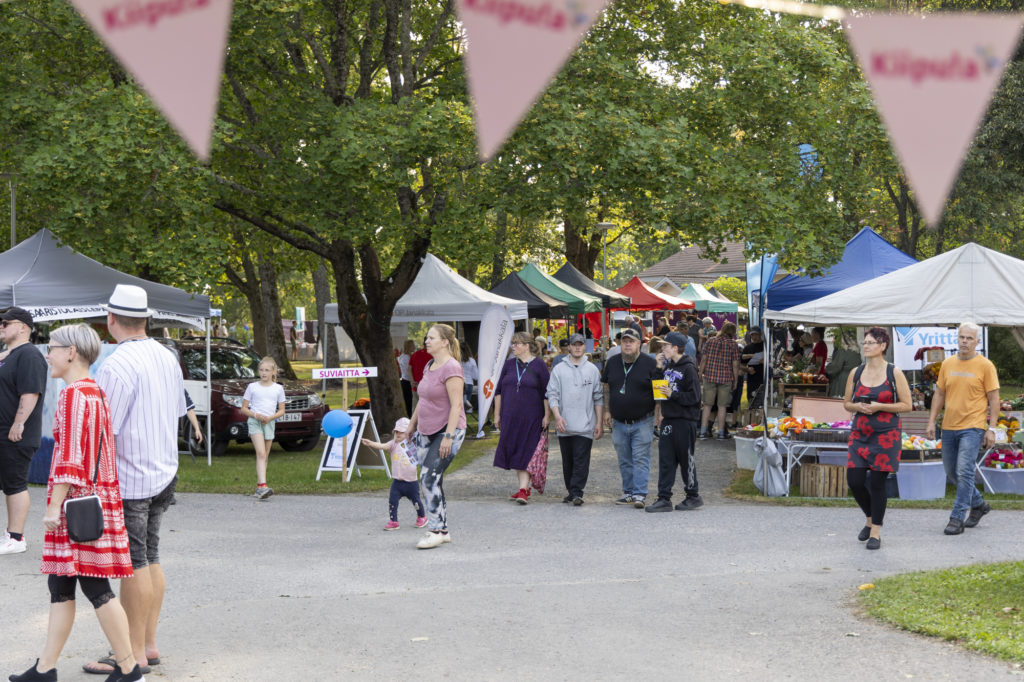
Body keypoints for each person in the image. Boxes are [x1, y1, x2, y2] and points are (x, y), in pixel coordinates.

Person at [10, 324, 143, 682]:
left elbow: (69, 457)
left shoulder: (72, 395)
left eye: (51, 347)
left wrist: (53, 507)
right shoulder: (95, 392)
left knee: (96, 587)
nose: (46, 353)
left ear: (71, 352)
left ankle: (130, 669)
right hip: (94, 500)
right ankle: (45, 668)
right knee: (62, 585)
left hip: (74, 505)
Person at [83, 284, 185, 677]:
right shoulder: (166, 355)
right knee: (151, 556)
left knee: (133, 563)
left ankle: (131, 653)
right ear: (146, 318)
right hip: (164, 469)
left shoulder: (116, 364)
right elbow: (178, 409)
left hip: (132, 476)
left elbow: (105, 429)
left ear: (111, 320)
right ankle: (148, 644)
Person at [926, 322, 1000, 536]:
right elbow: (939, 394)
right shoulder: (948, 364)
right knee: (951, 471)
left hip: (974, 426)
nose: (965, 341)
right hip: (948, 425)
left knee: (964, 470)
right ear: (957, 339)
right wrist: (931, 421)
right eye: (962, 337)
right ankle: (978, 504)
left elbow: (994, 398)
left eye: (969, 338)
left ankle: (957, 517)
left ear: (977, 341)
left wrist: (992, 428)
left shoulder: (986, 366)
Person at [843, 327, 912, 550]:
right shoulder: (856, 372)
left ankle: (875, 532)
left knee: (877, 483)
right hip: (860, 433)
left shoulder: (894, 372)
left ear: (883, 346)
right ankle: (871, 517)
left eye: (871, 342)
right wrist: (858, 406)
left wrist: (880, 406)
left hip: (886, 435)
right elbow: (846, 403)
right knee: (854, 481)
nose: (866, 346)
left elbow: (907, 405)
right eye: (865, 342)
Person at [406, 324, 466, 549]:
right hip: (425, 430)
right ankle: (443, 529)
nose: (426, 341)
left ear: (445, 342)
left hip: (448, 430)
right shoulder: (430, 365)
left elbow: (456, 405)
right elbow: (423, 399)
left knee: (428, 478)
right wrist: (412, 424)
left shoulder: (452, 368)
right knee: (433, 479)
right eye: (426, 338)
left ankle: (435, 530)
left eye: (431, 338)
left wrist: (449, 437)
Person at [0, 306, 48, 555]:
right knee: (9, 482)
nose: (1, 326)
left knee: (14, 483)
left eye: (5, 323)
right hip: (4, 432)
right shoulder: (9, 355)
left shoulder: (28, 355)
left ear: (22, 327)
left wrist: (19, 423)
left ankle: (16, 538)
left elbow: (30, 392)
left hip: (15, 434)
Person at [601, 327, 659, 508]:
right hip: (618, 421)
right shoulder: (611, 362)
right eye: (624, 341)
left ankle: (640, 494)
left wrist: (660, 414)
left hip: (643, 420)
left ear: (639, 344)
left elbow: (659, 392)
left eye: (631, 341)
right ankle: (628, 491)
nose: (627, 344)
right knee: (624, 458)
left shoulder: (651, 363)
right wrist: (607, 411)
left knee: (641, 458)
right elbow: (606, 387)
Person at [646, 332, 703, 513]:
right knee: (666, 460)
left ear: (675, 348)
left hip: (685, 420)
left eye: (666, 346)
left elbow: (695, 398)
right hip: (669, 418)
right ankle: (664, 498)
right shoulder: (668, 366)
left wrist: (673, 394)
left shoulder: (689, 369)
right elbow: (658, 390)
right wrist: (658, 367)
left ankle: (693, 495)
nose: (663, 348)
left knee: (686, 459)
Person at [493, 331, 550, 504]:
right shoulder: (509, 365)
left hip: (532, 417)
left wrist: (547, 415)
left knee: (527, 450)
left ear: (527, 346)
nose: (513, 346)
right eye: (513, 343)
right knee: (515, 449)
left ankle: (523, 490)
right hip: (510, 416)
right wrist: (497, 415)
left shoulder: (539, 365)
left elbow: (547, 393)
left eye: (517, 343)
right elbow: (499, 392)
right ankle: (524, 487)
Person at [546, 334, 603, 505]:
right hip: (565, 424)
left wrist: (599, 422)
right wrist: (557, 416)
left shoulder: (592, 369)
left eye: (580, 344)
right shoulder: (559, 369)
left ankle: (577, 491)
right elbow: (552, 394)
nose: (577, 348)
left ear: (585, 347)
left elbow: (598, 397)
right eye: (574, 345)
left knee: (581, 460)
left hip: (585, 425)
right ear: (568, 347)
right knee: (568, 461)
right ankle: (571, 491)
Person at [362, 417, 425, 531]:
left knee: (416, 501)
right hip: (397, 481)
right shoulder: (393, 444)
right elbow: (382, 446)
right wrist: (370, 443)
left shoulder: (413, 444)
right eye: (396, 431)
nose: (398, 434)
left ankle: (421, 517)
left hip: (411, 482)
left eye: (401, 432)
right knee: (392, 501)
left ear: (408, 432)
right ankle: (393, 521)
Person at [241, 356, 286, 500]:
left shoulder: (278, 388)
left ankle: (259, 487)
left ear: (273, 372)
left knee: (265, 456)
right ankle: (263, 485)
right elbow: (244, 408)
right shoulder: (252, 387)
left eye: (267, 370)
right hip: (255, 421)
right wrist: (256, 415)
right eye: (261, 370)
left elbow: (281, 410)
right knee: (260, 453)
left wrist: (271, 418)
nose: (264, 373)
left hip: (269, 422)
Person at [698, 322, 741, 440]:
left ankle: (702, 432)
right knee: (722, 406)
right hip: (726, 378)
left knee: (707, 405)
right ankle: (721, 433)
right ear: (733, 332)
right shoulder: (733, 344)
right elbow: (735, 364)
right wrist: (735, 380)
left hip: (710, 376)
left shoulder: (710, 341)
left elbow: (704, 359)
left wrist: (700, 373)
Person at [825, 329, 861, 399]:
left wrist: (826, 368)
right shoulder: (857, 353)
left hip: (842, 380)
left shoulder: (843, 352)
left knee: (840, 399)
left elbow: (835, 367)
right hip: (854, 379)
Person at [408, 338, 431, 410]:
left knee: (415, 408)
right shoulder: (433, 356)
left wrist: (411, 381)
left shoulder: (415, 354)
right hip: (428, 387)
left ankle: (415, 421)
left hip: (415, 385)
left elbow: (409, 369)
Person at [398, 339, 416, 417]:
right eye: (412, 345)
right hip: (407, 381)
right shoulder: (406, 357)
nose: (414, 347)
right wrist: (413, 380)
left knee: (409, 401)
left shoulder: (404, 356)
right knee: (408, 401)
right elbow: (408, 370)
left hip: (406, 380)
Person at [460, 342, 479, 414]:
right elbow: (476, 376)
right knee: (466, 406)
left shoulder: (456, 359)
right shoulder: (472, 361)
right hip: (469, 384)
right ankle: (463, 423)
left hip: (459, 384)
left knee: (457, 406)